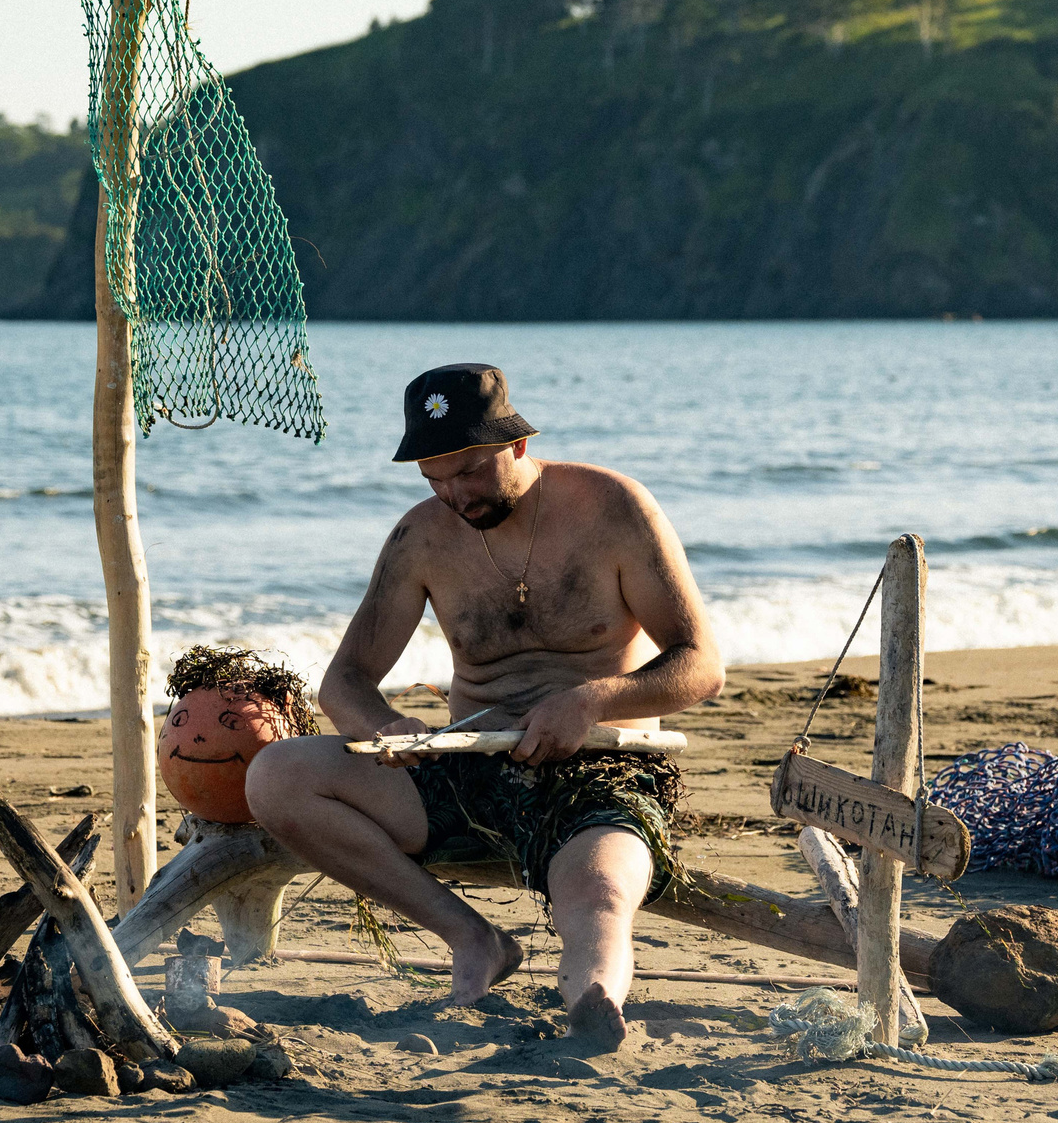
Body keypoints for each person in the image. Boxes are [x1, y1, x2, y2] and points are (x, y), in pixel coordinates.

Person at [243, 363, 723, 1054]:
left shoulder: (613, 508)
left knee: (596, 890)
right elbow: (344, 681)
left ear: (518, 445)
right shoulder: (423, 535)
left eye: (469, 471)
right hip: (470, 768)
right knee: (277, 773)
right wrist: (382, 729)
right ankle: (473, 937)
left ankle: (593, 1005)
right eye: (434, 477)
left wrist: (591, 700)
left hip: (600, 775)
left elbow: (701, 663)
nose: (454, 494)